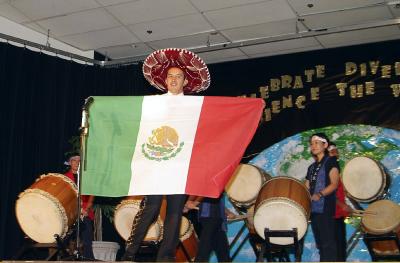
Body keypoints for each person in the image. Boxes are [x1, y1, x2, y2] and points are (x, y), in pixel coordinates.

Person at [122, 48, 211, 262]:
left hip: (179, 165)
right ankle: (129, 254)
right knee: (151, 208)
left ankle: (166, 257)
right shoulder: (154, 102)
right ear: (165, 80)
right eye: (170, 76)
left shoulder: (193, 106)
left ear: (185, 82)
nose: (173, 79)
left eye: (178, 76)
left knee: (174, 212)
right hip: (158, 162)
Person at [305, 133, 340, 262]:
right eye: (311, 143)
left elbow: (334, 184)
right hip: (313, 210)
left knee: (328, 244)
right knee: (320, 244)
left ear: (325, 145)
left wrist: (319, 194)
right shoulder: (311, 167)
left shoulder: (331, 162)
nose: (313, 146)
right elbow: (306, 187)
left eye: (316, 143)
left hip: (325, 208)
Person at [64, 154, 95, 260]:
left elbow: (92, 192)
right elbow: (66, 197)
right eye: (74, 160)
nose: (77, 162)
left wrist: (87, 207)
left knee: (87, 239)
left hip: (85, 212)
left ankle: (89, 259)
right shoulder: (65, 178)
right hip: (71, 213)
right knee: (68, 240)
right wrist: (79, 209)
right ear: (69, 163)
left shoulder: (86, 177)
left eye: (79, 160)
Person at [184, 195, 232, 262]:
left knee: (223, 252)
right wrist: (191, 203)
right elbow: (203, 191)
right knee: (205, 249)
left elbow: (217, 201)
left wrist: (228, 212)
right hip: (209, 215)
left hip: (217, 216)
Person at [328, 143, 353, 262]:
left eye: (335, 150)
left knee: (340, 251)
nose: (335, 152)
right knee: (336, 252)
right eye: (332, 150)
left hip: (337, 215)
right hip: (331, 217)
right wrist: (343, 205)